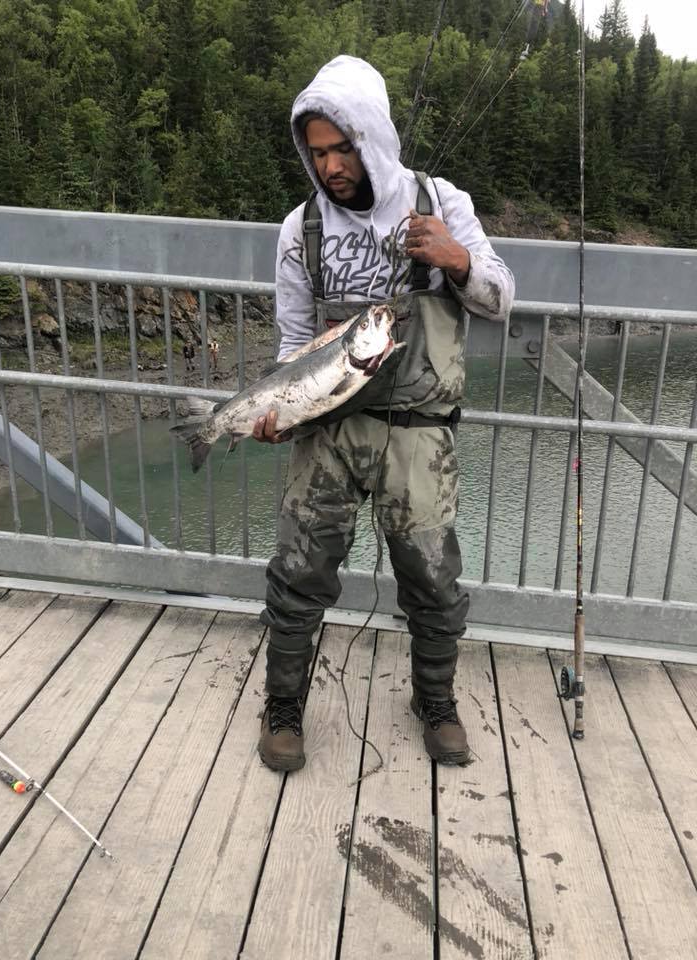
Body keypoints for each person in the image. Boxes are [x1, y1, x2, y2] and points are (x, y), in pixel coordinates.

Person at [252, 56, 515, 772]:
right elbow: (291, 346)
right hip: (328, 430)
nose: (331, 165)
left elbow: (500, 300)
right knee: (299, 572)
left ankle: (435, 700)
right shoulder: (299, 229)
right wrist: (277, 406)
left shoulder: (442, 200)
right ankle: (283, 705)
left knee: (431, 577)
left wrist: (458, 260)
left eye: (342, 147)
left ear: (371, 137)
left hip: (421, 431)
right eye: (317, 152)